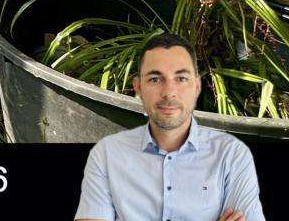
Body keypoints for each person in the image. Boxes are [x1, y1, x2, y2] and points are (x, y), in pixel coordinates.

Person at [74, 32, 265, 221]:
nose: (169, 92)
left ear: (197, 86)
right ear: (138, 87)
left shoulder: (231, 156)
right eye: (155, 79)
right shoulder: (108, 155)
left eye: (181, 78)